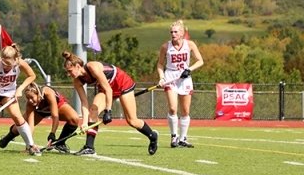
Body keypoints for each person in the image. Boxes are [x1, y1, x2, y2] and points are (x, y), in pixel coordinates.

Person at [62, 51, 158, 156]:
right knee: (93, 110)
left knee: (132, 121)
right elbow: (84, 103)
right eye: (67, 72)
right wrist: (84, 123)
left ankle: (152, 136)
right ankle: (89, 147)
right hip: (105, 89)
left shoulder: (92, 67)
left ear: (78, 66)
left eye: (70, 71)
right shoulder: (77, 82)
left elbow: (109, 90)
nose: (69, 74)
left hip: (121, 84)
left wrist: (108, 111)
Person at [157, 19, 204, 148]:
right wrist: (161, 78)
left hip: (184, 78)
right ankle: (174, 137)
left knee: (185, 110)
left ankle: (183, 138)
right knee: (173, 108)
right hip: (170, 77)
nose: (173, 34)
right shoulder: (165, 47)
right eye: (171, 32)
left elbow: (200, 61)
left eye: (176, 32)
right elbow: (160, 64)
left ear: (182, 33)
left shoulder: (190, 45)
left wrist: (189, 69)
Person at [0, 82, 80, 154]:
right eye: (28, 98)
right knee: (20, 126)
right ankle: (8, 137)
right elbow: (30, 126)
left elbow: (55, 116)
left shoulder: (49, 94)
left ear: (38, 94)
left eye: (32, 98)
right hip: (40, 111)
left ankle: (60, 143)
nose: (30, 101)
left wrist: (52, 134)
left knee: (74, 119)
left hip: (57, 107)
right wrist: (29, 146)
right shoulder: (30, 105)